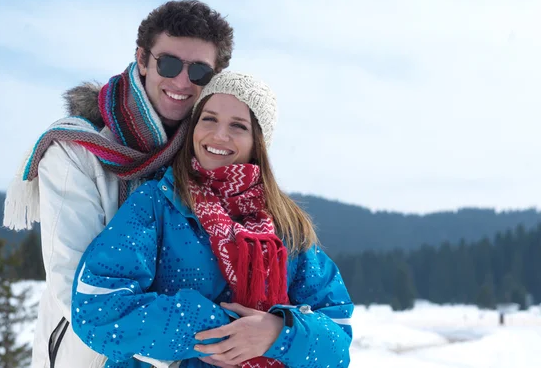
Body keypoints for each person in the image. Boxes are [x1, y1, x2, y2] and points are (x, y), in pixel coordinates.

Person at [2, 0, 235, 368]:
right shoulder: (76, 150)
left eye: (199, 71)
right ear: (142, 59)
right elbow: (73, 289)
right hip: (90, 355)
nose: (181, 82)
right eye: (169, 63)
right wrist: (200, 348)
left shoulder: (209, 156)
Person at [71, 72, 354, 368]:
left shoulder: (286, 225)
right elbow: (96, 309)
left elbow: (337, 341)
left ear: (257, 142)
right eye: (208, 119)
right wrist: (221, 330)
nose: (219, 135)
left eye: (238, 126)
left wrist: (276, 333)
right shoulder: (157, 203)